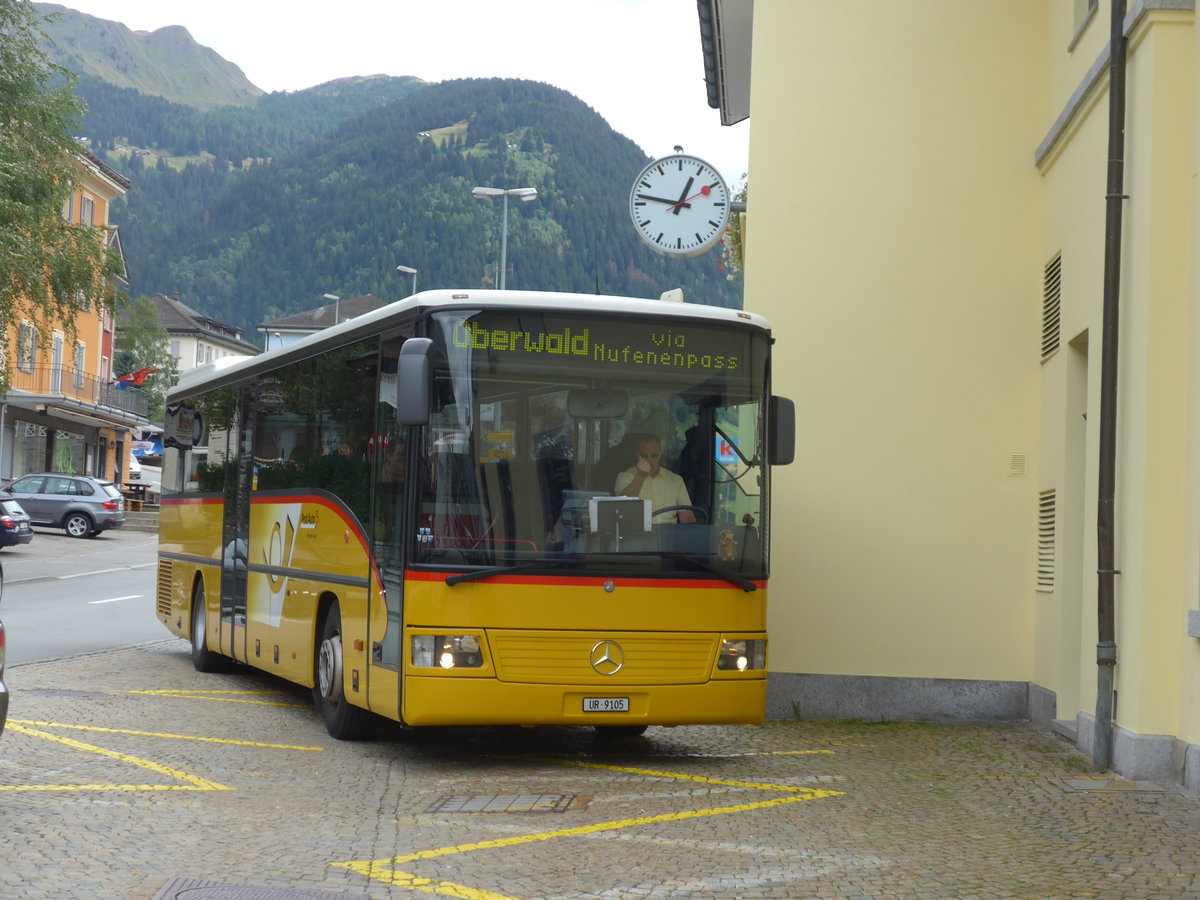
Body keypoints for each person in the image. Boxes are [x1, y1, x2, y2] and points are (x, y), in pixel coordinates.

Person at [613, 434, 696, 524]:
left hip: (668, 534)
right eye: (644, 456)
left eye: (654, 455)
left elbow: (687, 518)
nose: (650, 460)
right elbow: (621, 509)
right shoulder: (625, 477)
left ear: (661, 453)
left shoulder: (675, 480)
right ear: (637, 454)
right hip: (638, 534)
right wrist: (640, 476)